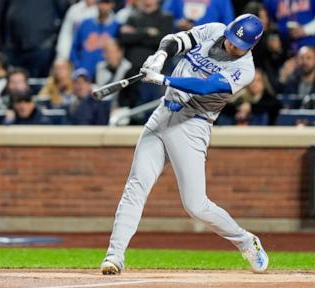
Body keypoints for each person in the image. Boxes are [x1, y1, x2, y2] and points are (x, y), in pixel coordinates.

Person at [100, 14, 269, 275]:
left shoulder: (245, 70)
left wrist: (163, 80)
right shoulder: (215, 30)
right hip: (163, 114)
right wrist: (160, 56)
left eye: (239, 45)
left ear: (251, 47)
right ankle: (115, 255)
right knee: (136, 185)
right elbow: (177, 39)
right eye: (232, 39)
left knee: (195, 205)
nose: (232, 46)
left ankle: (247, 241)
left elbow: (206, 87)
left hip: (192, 125)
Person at [70, 0, 120, 79]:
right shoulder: (85, 23)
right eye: (101, 2)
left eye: (106, 3)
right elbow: (74, 48)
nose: (103, 7)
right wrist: (78, 66)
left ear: (112, 5)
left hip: (104, 74)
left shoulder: (116, 26)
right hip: (84, 73)